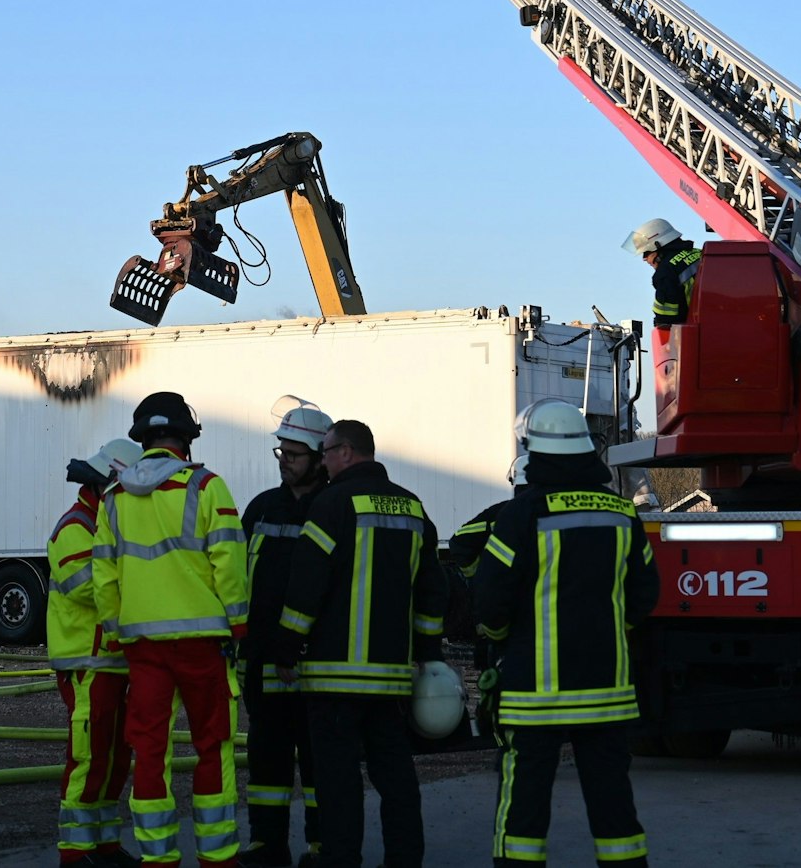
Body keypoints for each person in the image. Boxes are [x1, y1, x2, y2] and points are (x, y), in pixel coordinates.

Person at [471, 399, 660, 867]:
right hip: (607, 694)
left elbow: (491, 602)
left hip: (535, 698)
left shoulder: (521, 516)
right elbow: (644, 596)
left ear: (535, 453)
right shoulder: (622, 513)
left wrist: (502, 638)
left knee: (523, 817)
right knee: (616, 814)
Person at [275, 419, 447, 868]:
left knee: (338, 779)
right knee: (396, 776)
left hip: (334, 677)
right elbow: (432, 593)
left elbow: (306, 586)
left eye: (327, 451)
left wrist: (287, 648)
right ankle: (405, 859)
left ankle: (340, 859)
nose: (324, 461)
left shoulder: (331, 504)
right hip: (392, 680)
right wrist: (427, 655)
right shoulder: (413, 508)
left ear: (347, 452)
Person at [93, 392, 249, 866]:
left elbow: (105, 577)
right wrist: (238, 625)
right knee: (212, 746)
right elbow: (229, 562)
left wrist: (120, 631)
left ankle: (158, 857)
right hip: (203, 645)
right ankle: (217, 855)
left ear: (144, 440)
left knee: (149, 751)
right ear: (186, 438)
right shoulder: (207, 487)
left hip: (143, 649)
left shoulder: (113, 498)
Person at [240, 396, 334, 868]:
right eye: (281, 453)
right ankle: (266, 843)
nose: (285, 463)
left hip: (316, 662)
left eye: (294, 455)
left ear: (320, 458)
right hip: (263, 659)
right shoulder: (260, 509)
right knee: (267, 758)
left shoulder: (333, 510)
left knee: (319, 761)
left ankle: (321, 845)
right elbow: (240, 580)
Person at [50, 437, 147, 868]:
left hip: (113, 661)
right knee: (89, 755)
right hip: (87, 664)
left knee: (115, 756)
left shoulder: (107, 524)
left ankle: (105, 845)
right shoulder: (75, 527)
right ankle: (75, 851)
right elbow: (87, 587)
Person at [622, 217, 701, 327]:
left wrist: (659, 321)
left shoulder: (665, 273)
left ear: (658, 246)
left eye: (646, 253)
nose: (644, 259)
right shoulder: (700, 252)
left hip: (699, 331)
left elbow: (666, 318)